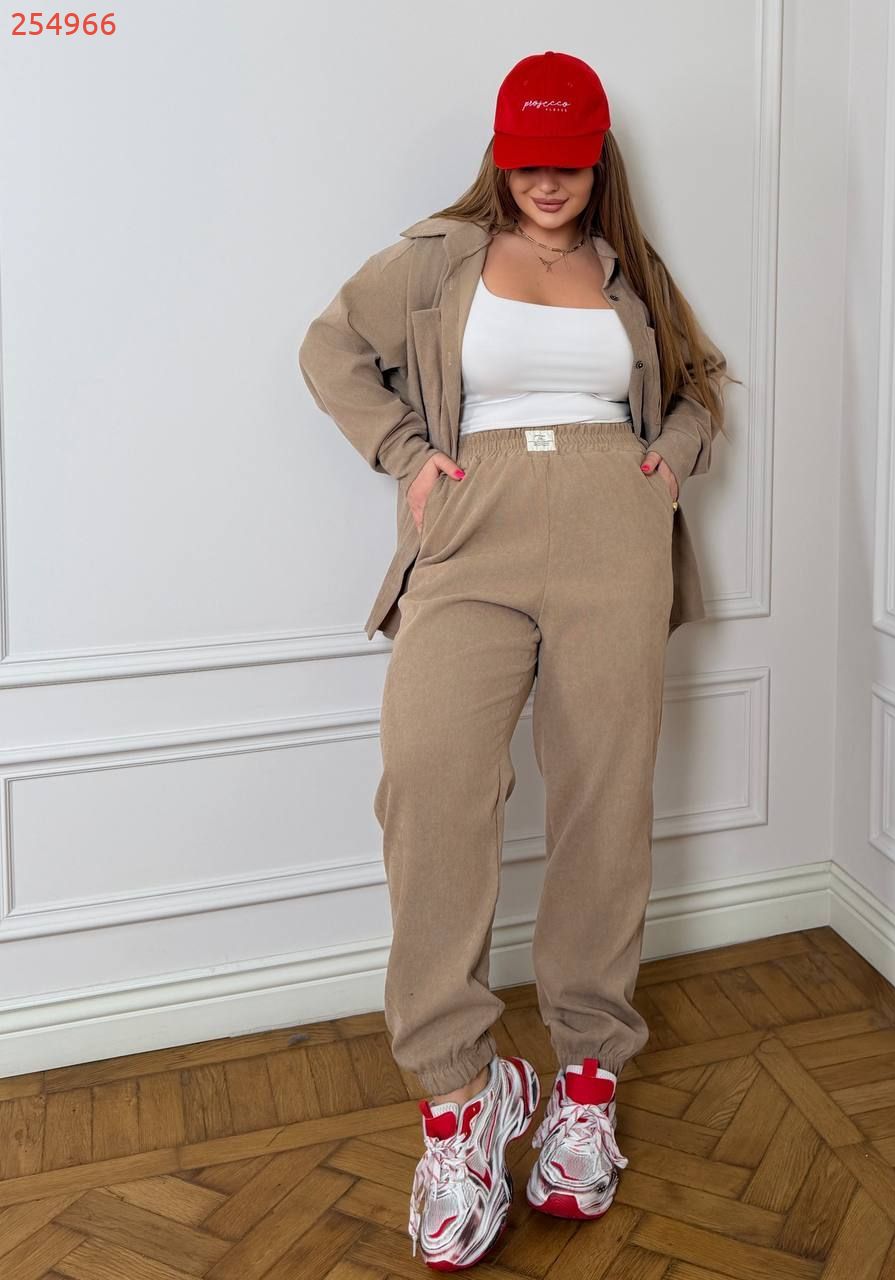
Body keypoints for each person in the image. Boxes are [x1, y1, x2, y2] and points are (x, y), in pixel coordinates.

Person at [299, 49, 731, 1272]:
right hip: (472, 525)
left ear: (598, 159)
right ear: (499, 154)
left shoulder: (628, 272)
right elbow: (329, 349)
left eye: (569, 162)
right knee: (429, 781)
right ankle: (462, 1095)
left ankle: (585, 1080)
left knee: (603, 801)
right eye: (528, 160)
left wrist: (667, 464)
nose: (548, 182)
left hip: (612, 535)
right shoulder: (437, 259)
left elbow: (700, 387)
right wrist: (406, 456)